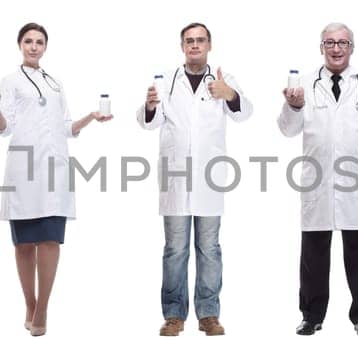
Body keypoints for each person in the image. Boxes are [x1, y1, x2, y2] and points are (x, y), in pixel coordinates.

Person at [0, 22, 113, 337]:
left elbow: (66, 126)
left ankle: (42, 307)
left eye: (39, 42)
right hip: (23, 169)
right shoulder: (11, 81)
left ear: (45, 47)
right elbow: (4, 128)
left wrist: (90, 118)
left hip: (54, 170)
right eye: (28, 41)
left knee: (51, 240)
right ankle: (30, 303)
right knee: (24, 244)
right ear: (20, 45)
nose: (33, 46)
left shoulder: (55, 83)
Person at [277, 22, 358, 338]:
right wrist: (293, 105)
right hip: (317, 182)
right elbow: (287, 129)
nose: (336, 48)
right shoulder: (303, 86)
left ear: (352, 47)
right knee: (313, 258)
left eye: (343, 42)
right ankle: (311, 316)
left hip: (355, 184)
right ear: (321, 48)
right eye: (330, 42)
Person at [135, 22, 252, 337]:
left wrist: (229, 94)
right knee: (175, 249)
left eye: (200, 40)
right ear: (182, 46)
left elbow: (245, 113)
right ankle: (174, 315)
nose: (195, 45)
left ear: (209, 45)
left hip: (209, 179)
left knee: (209, 248)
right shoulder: (166, 80)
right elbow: (149, 123)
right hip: (175, 178)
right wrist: (148, 106)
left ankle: (209, 315)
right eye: (189, 41)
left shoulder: (223, 79)